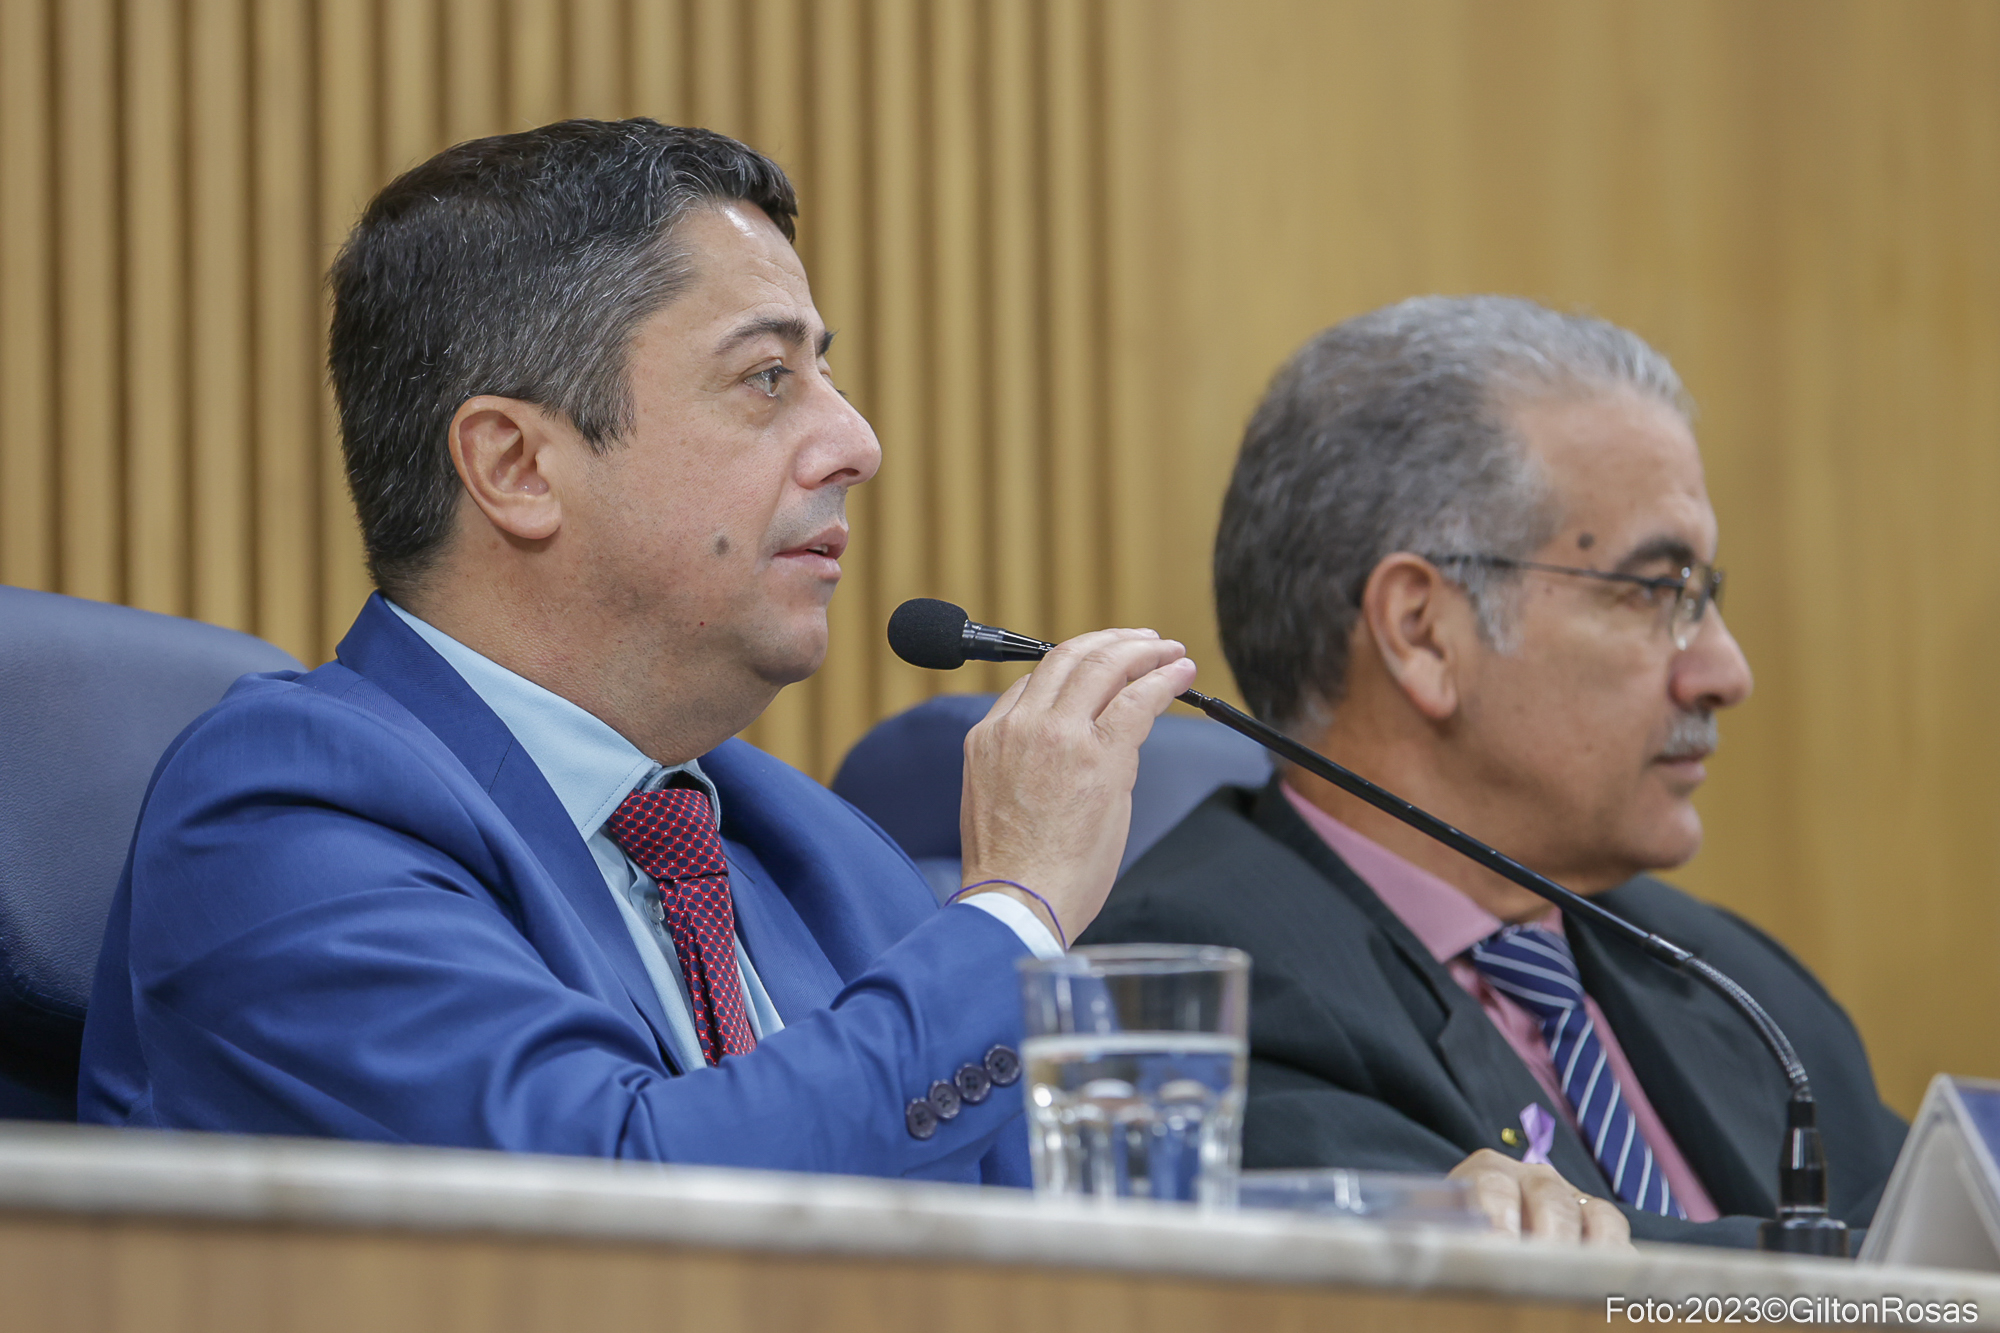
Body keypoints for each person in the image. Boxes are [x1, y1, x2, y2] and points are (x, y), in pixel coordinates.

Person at [77, 120, 1196, 1187]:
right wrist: (1015, 907)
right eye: (767, 377)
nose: (856, 442)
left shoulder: (813, 850)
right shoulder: (279, 814)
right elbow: (627, 1209)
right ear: (516, 467)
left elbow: (1056, 1229)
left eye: (825, 373)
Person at [1080, 296, 1908, 1247]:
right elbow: (1478, 1289)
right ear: (1423, 632)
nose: (1726, 672)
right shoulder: (1190, 989)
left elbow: (1946, 1234)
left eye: (1703, 595)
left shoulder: (1735, 980)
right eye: (1656, 590)